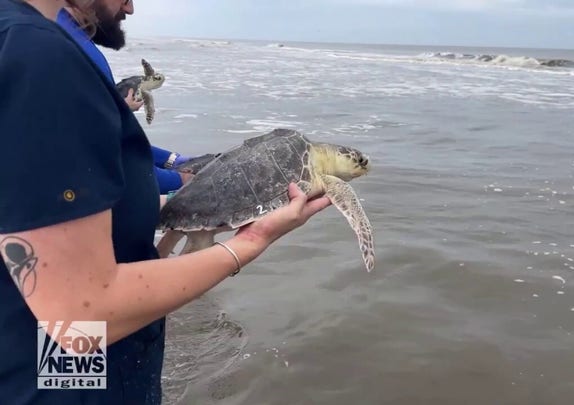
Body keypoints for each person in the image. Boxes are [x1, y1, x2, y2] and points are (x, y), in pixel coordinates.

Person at [0, 0, 331, 404]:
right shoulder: (39, 56)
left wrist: (191, 212)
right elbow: (78, 316)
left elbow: (44, 211)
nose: (131, 7)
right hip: (63, 364)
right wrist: (252, 240)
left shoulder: (21, 41)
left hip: (42, 347)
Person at [56, 0, 195, 194]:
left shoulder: (54, 35)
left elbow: (107, 137)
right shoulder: (70, 49)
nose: (130, 9)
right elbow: (105, 157)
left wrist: (171, 160)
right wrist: (180, 180)